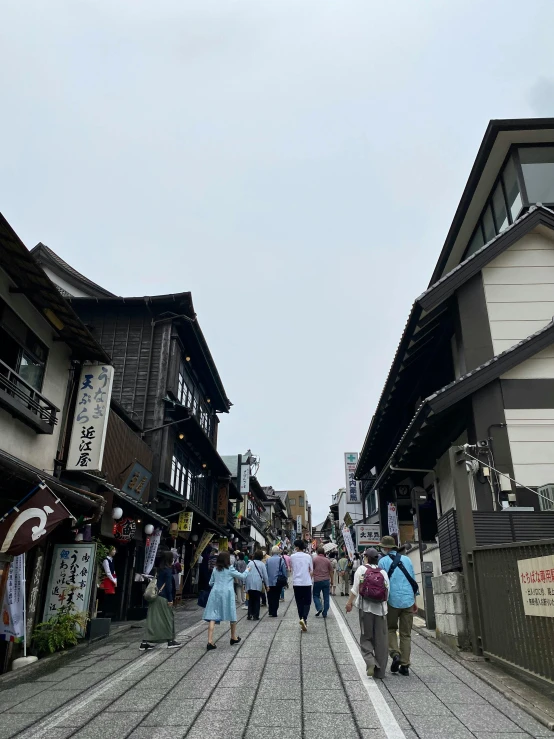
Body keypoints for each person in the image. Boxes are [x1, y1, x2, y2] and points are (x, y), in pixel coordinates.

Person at [345, 548, 390, 678]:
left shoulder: (361, 570)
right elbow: (388, 593)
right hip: (381, 611)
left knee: (366, 638)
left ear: (366, 558)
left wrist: (349, 604)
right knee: (381, 641)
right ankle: (380, 672)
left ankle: (370, 662)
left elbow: (355, 590)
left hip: (365, 609)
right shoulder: (383, 572)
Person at [378, 536, 418, 676]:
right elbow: (413, 579)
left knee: (390, 628)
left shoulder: (382, 561)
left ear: (386, 548)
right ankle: (405, 665)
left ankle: (395, 654)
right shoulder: (407, 560)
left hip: (392, 600)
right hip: (408, 599)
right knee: (406, 634)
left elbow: (382, 583)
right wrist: (415, 601)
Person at [203, 550, 249, 650]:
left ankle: (210, 641)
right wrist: (247, 570)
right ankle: (233, 637)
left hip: (215, 593)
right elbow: (242, 576)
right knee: (232, 614)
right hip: (227, 593)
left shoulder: (215, 569)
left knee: (212, 616)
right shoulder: (230, 569)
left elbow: (211, 582)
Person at [140, 551, 181, 650]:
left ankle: (144, 642)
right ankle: (170, 641)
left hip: (155, 597)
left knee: (152, 620)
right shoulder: (168, 570)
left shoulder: (158, 570)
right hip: (163, 598)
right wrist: (170, 599)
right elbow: (169, 587)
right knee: (168, 618)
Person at [290, 539, 313, 631]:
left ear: (297, 547)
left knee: (299, 602)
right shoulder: (308, 557)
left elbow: (292, 568)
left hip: (296, 582)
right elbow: (311, 570)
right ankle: (304, 618)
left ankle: (301, 619)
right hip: (306, 582)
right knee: (307, 602)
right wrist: (309, 578)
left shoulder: (292, 556)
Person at [245, 550, 268, 620]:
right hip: (258, 584)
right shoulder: (262, 564)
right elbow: (265, 576)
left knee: (250, 599)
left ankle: (249, 614)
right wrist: (267, 585)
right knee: (257, 600)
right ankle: (255, 615)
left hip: (249, 584)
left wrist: (244, 583)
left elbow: (246, 573)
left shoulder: (250, 563)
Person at [266, 546, 287, 617]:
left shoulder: (268, 560)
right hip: (278, 581)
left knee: (270, 596)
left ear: (272, 552)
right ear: (278, 552)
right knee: (276, 596)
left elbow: (266, 571)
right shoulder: (281, 560)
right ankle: (274, 611)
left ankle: (270, 610)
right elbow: (284, 571)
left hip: (269, 581)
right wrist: (285, 579)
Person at [312, 546, 333, 618]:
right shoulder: (327, 560)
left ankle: (319, 607)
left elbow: (312, 570)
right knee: (326, 597)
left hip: (317, 580)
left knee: (315, 595)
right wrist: (332, 580)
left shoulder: (314, 559)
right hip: (326, 580)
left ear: (317, 552)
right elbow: (331, 571)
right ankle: (325, 612)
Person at [100, 546, 117, 618]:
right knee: (105, 596)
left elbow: (113, 571)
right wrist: (113, 580)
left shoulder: (112, 560)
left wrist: (115, 581)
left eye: (115, 550)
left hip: (111, 580)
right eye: (113, 550)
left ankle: (108, 613)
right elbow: (108, 572)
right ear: (109, 551)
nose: (115, 551)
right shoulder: (106, 560)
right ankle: (103, 614)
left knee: (110, 596)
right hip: (107, 580)